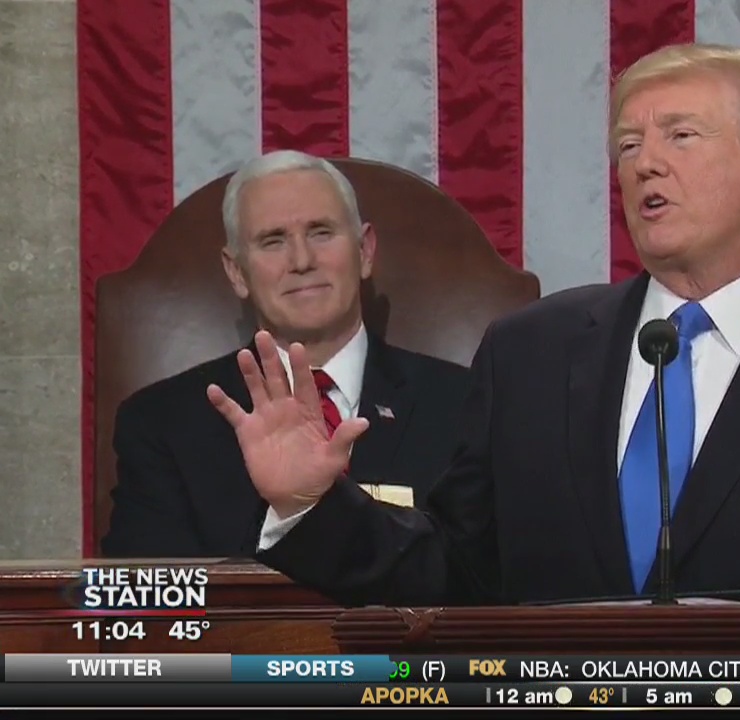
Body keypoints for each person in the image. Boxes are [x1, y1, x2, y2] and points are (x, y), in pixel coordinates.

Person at [212, 45, 740, 652]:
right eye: (629, 145)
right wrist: (312, 505)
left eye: (679, 135)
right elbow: (456, 571)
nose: (644, 165)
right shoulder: (530, 352)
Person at [102, 150, 471, 558]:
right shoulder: (162, 424)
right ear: (237, 272)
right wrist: (287, 517)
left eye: (321, 232)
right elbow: (152, 604)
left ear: (364, 251)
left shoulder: (467, 405)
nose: (301, 261)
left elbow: (482, 580)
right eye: (273, 241)